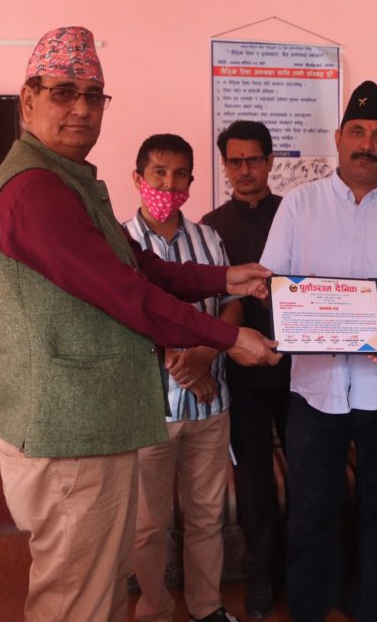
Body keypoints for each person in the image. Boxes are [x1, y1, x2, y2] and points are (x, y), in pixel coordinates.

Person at [0, 26, 279, 622]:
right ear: (28, 100)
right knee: (77, 602)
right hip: (69, 436)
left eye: (94, 95)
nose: (82, 108)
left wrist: (227, 278)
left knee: (101, 591)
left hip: (97, 429)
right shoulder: (34, 190)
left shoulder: (69, 181)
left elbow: (143, 267)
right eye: (64, 92)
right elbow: (125, 294)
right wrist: (227, 336)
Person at [259, 80, 377, 621]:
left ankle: (370, 608)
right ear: (339, 138)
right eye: (359, 132)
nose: (368, 144)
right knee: (311, 512)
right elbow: (271, 285)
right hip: (314, 389)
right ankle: (310, 609)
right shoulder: (299, 205)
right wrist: (300, 310)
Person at [123, 134, 240, 622]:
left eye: (180, 175)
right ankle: (154, 610)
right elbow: (121, 319)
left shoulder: (209, 238)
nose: (169, 185)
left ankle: (206, 607)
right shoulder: (118, 242)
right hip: (149, 411)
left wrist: (206, 354)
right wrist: (182, 365)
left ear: (191, 180)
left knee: (207, 518)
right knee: (148, 525)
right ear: (138, 177)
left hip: (211, 406)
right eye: (159, 173)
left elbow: (231, 303)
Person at [202, 121, 291, 618]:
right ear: (224, 166)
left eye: (253, 159)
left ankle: (307, 569)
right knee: (253, 480)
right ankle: (261, 575)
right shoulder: (210, 227)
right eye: (234, 161)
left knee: (308, 475)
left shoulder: (294, 214)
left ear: (270, 161)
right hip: (241, 377)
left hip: (300, 374)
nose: (244, 170)